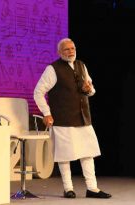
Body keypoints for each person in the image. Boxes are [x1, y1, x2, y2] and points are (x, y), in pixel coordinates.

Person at [33, 38, 111, 199]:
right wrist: (46, 113)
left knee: (88, 153)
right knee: (65, 156)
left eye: (73, 48)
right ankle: (68, 189)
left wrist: (89, 89)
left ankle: (92, 188)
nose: (71, 51)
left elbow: (91, 90)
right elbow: (38, 92)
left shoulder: (81, 65)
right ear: (60, 52)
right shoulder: (52, 69)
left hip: (83, 117)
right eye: (67, 49)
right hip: (63, 119)